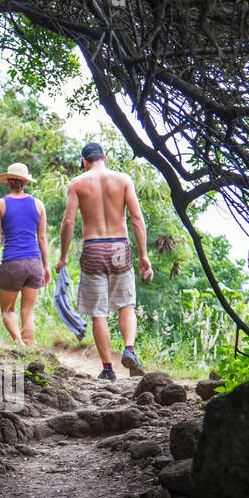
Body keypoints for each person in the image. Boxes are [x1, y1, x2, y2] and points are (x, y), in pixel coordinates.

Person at [55, 142, 154, 379]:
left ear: (84, 162)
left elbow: (68, 222)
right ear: (105, 158)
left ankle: (108, 369)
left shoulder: (78, 183)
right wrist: (143, 255)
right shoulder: (123, 180)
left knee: (98, 312)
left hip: (93, 248)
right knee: (126, 304)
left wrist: (63, 257)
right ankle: (129, 348)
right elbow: (136, 218)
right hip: (120, 245)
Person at [0, 162, 50, 347]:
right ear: (25, 182)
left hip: (12, 263)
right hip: (34, 262)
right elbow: (42, 238)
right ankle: (29, 351)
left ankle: (19, 343)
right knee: (28, 312)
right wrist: (45, 266)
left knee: (7, 310)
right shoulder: (38, 204)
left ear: (8, 181)